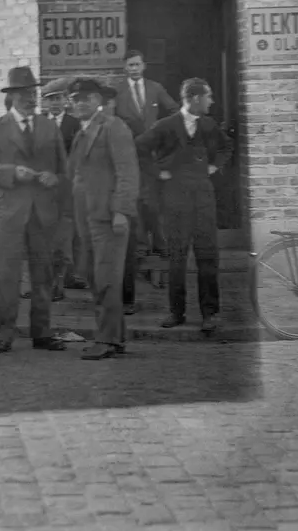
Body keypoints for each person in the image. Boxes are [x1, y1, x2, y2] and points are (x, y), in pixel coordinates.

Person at [0, 66, 68, 355]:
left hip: (42, 212)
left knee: (43, 274)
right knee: (5, 276)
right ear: (12, 96)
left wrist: (55, 179)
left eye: (33, 93)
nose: (31, 98)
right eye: (25, 93)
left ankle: (42, 332)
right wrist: (13, 172)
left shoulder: (49, 127)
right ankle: (2, 334)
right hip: (7, 213)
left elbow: (64, 171)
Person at [135, 78, 232, 334]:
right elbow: (140, 147)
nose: (211, 101)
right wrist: (158, 173)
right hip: (175, 200)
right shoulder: (166, 126)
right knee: (177, 258)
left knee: (208, 257)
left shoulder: (209, 125)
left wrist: (214, 166)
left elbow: (226, 148)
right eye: (208, 96)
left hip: (203, 200)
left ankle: (210, 313)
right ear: (194, 98)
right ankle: (176, 312)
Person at [67, 79, 140, 360]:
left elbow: (127, 172)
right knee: (94, 276)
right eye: (75, 98)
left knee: (107, 277)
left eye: (86, 98)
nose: (80, 103)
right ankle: (115, 336)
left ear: (99, 100)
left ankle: (106, 339)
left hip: (108, 218)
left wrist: (122, 211)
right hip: (85, 217)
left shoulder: (114, 127)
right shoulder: (81, 133)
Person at [115, 49, 178, 314]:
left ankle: (160, 251)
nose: (134, 69)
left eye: (138, 64)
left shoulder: (155, 88)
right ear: (124, 68)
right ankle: (139, 252)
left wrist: (161, 130)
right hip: (130, 153)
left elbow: (174, 109)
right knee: (136, 202)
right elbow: (112, 118)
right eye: (130, 65)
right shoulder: (118, 92)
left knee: (153, 203)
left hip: (153, 155)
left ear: (144, 65)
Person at [40, 77, 83, 299]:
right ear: (45, 103)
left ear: (66, 100)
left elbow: (77, 155)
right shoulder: (39, 123)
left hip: (67, 186)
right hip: (45, 188)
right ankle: (48, 281)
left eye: (58, 99)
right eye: (50, 100)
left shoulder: (74, 125)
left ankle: (68, 277)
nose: (55, 104)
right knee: (46, 234)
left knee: (68, 232)